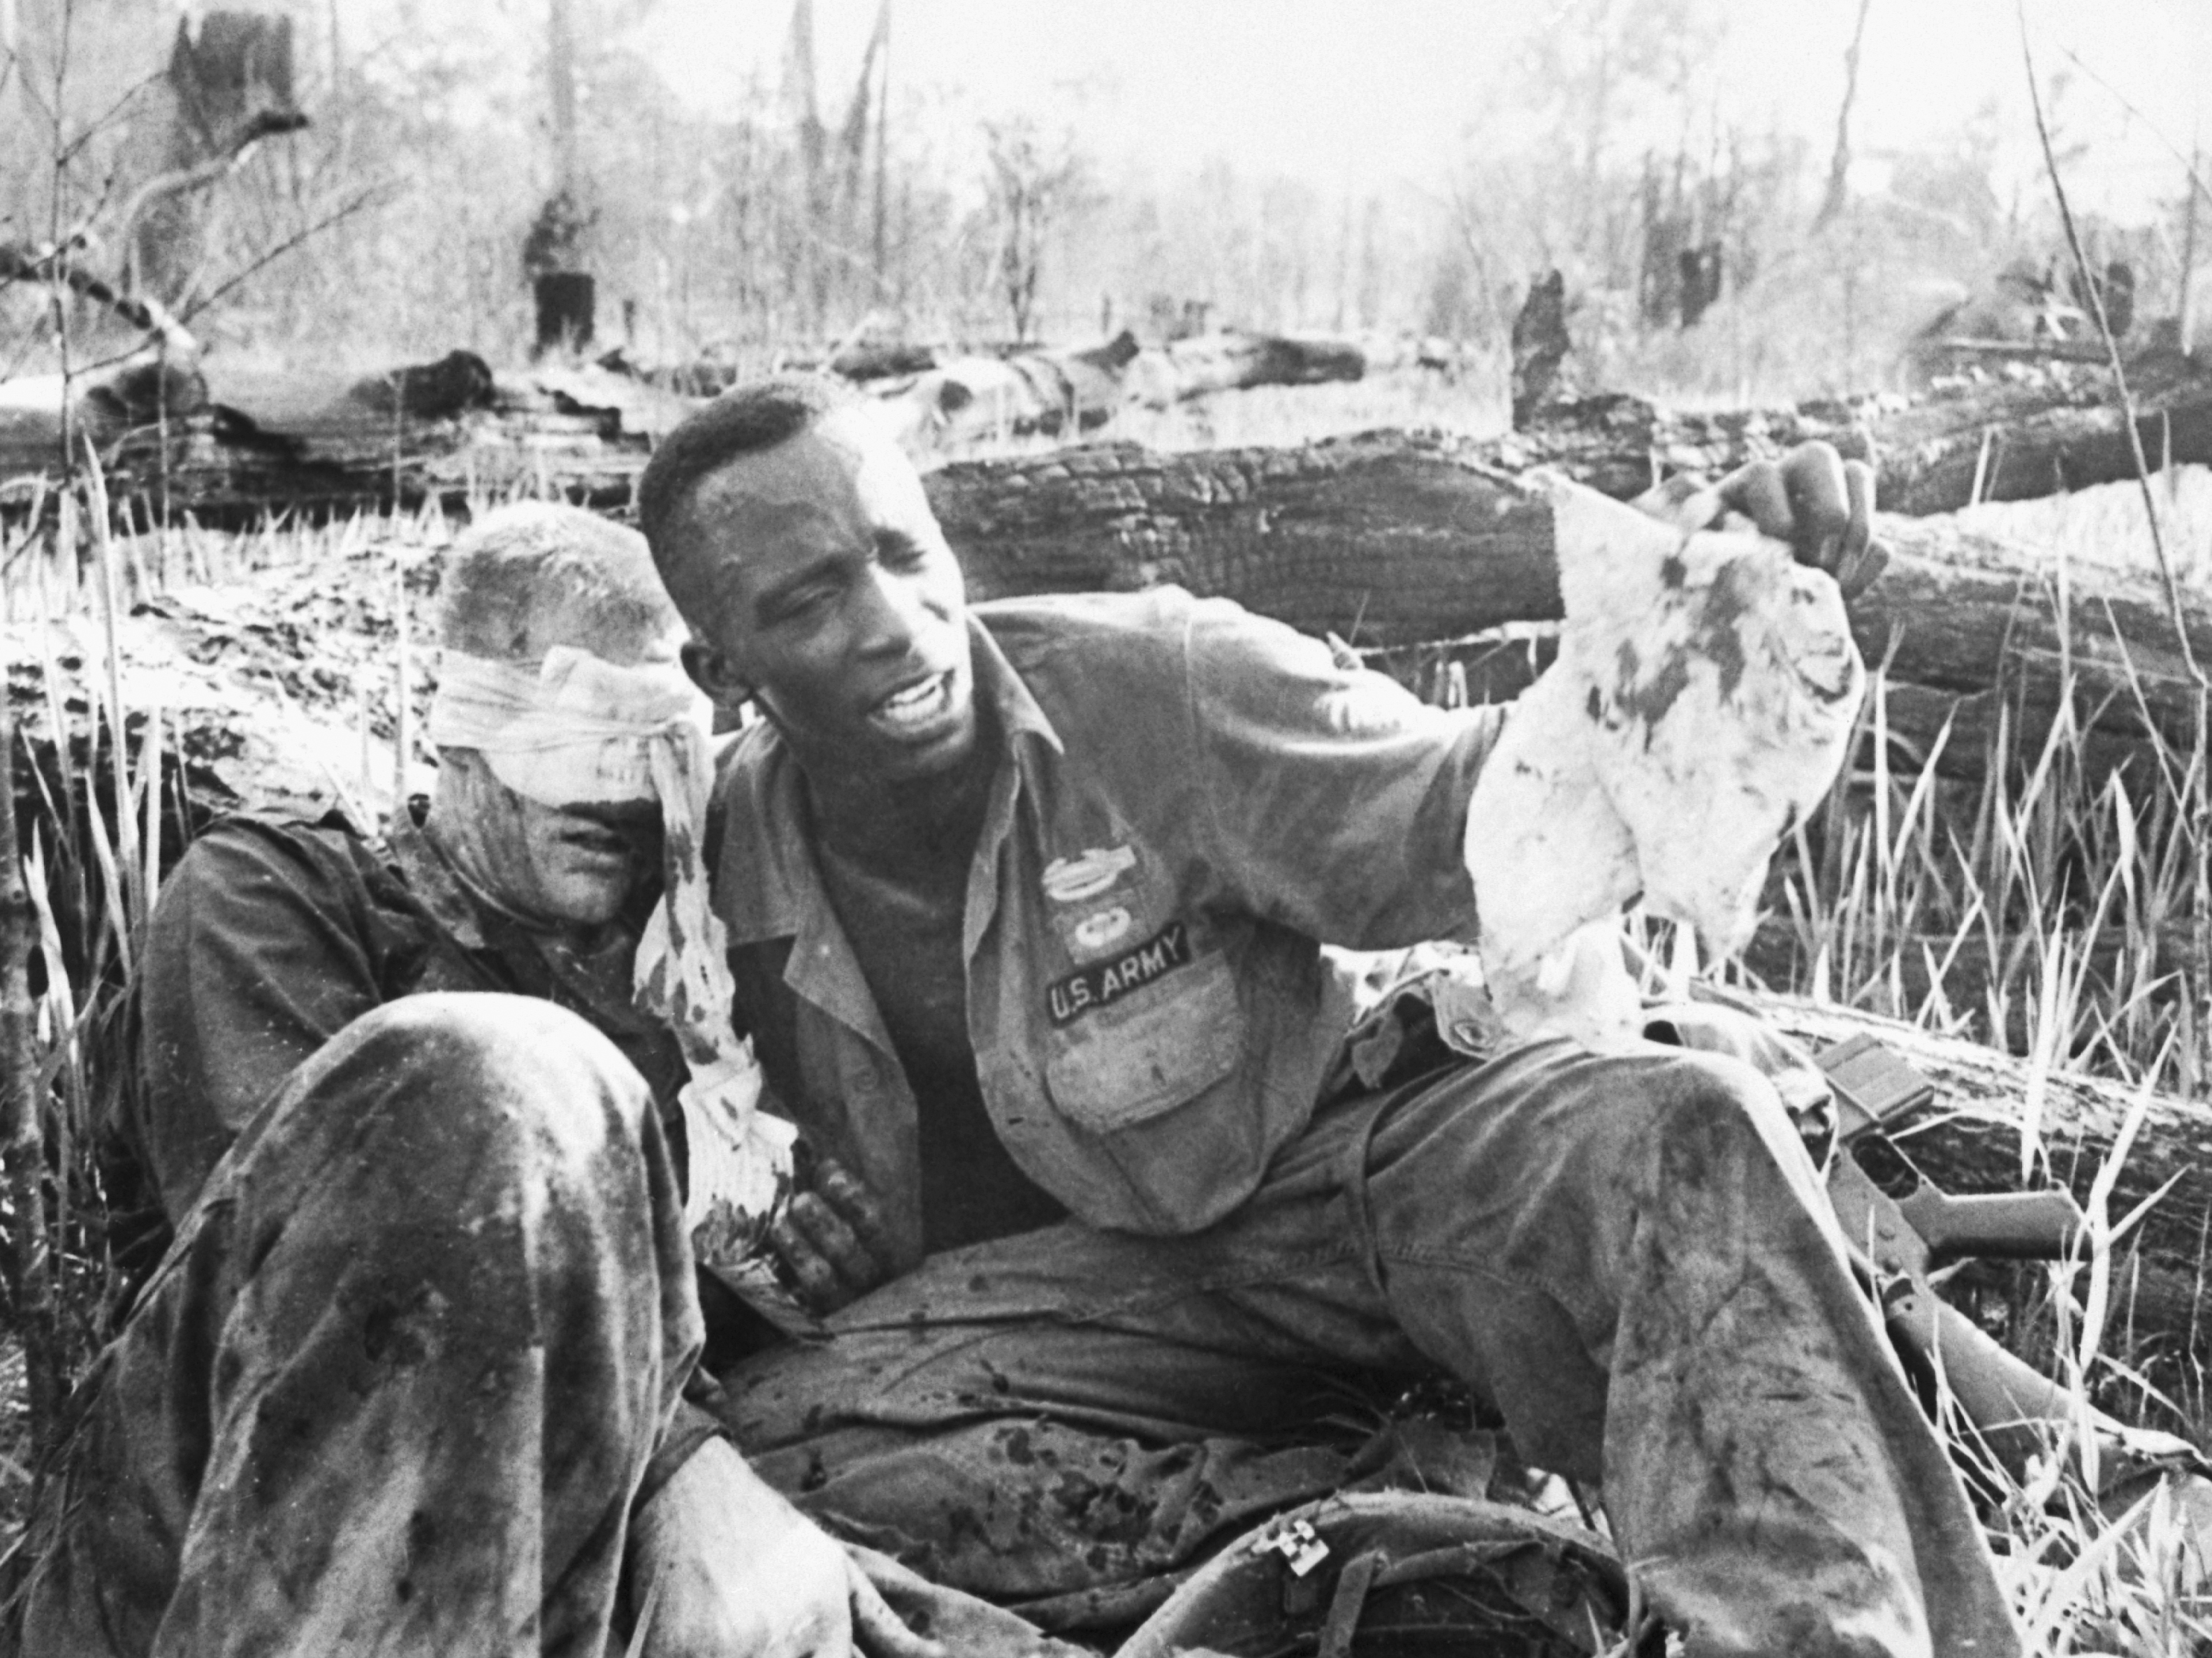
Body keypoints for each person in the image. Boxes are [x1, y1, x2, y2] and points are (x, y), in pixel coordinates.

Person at [634, 375, 2024, 1658]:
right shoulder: (688, 865)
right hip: (1064, 1330)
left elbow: (1477, 812)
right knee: (743, 1469)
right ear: (722, 673)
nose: (890, 620)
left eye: (900, 551)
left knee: (1677, 1128)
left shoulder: (1148, 687)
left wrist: (1694, 626)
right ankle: (1415, 1527)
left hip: (1350, 1193)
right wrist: (720, 1216)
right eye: (811, 598)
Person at [23, 502, 943, 1658]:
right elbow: (359, 1278)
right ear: (460, 724)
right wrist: (683, 1456)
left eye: (661, 747)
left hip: (575, 1503)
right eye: (581, 737)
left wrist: (779, 1248)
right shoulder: (276, 898)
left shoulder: (684, 962)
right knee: (490, 1077)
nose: (620, 798)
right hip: (251, 1518)